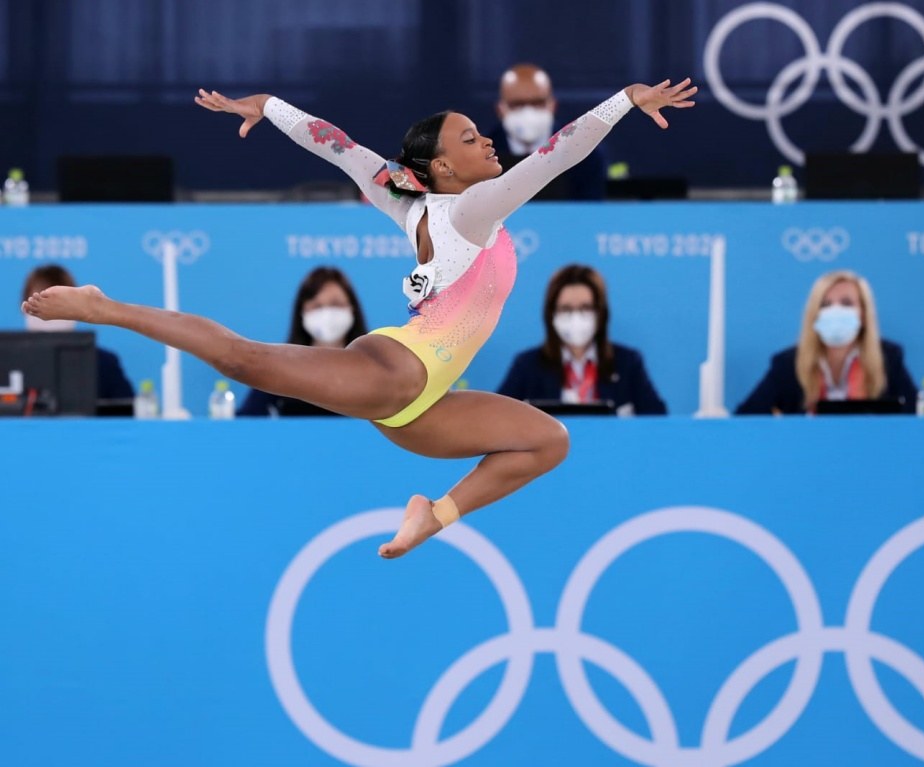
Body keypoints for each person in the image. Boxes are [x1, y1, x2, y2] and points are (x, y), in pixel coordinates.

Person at [22, 77, 696, 558]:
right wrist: (623, 102)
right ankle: (104, 305)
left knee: (549, 441)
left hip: (425, 409)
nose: (488, 139)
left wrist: (271, 106)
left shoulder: (416, 204)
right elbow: (557, 155)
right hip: (396, 374)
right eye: (471, 136)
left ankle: (433, 514)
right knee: (245, 360)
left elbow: (336, 145)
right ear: (440, 165)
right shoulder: (472, 208)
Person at [735, 270, 916, 415]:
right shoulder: (788, 363)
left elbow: (918, 416)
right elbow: (746, 418)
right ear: (814, 315)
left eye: (846, 303)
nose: (835, 310)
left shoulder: (888, 358)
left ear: (864, 314)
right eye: (825, 305)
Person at [498, 263, 666, 415]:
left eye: (585, 308)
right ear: (551, 314)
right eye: (566, 309)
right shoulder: (528, 365)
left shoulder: (627, 362)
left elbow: (657, 422)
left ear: (601, 313)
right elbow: (497, 418)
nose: (576, 317)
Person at [238, 266, 368, 417]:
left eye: (336, 304)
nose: (327, 314)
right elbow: (247, 421)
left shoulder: (371, 364)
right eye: (317, 306)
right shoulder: (281, 365)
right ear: (302, 313)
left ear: (352, 309)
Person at [489, 63, 606, 201]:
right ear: (500, 109)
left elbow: (591, 212)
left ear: (552, 105)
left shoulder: (584, 151)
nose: (528, 112)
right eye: (517, 104)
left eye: (538, 103)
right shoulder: (482, 154)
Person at [20, 264, 134, 404]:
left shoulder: (105, 364)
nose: (50, 314)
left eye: (58, 305)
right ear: (24, 307)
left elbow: (127, 414)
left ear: (76, 310)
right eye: (38, 303)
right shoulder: (6, 362)